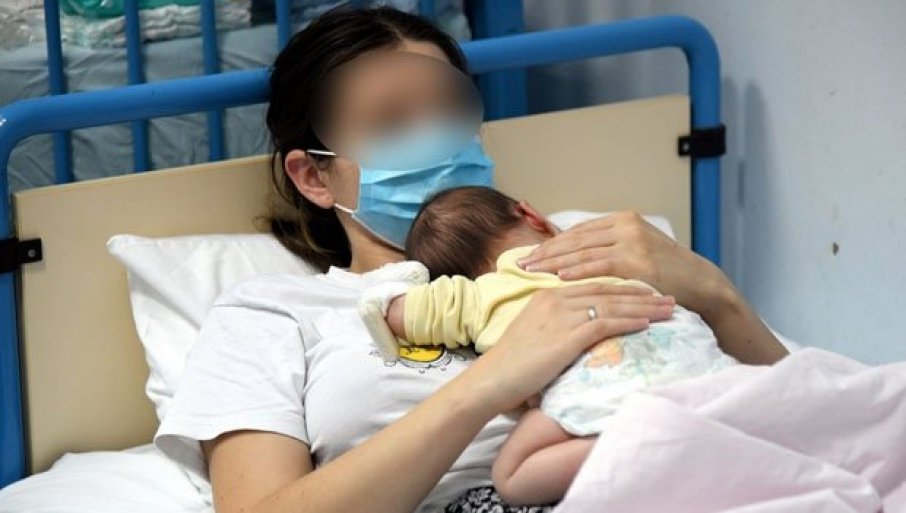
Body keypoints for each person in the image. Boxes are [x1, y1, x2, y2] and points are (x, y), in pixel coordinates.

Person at [153, 6, 789, 513]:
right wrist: (491, 383)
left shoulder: (583, 243)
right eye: (391, 124)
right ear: (314, 176)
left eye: (451, 110)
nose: (435, 137)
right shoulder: (274, 311)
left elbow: (793, 407)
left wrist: (715, 292)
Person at [360, 185, 740, 505]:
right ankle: (715, 418)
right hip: (684, 351)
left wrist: (407, 281)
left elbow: (395, 312)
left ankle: (633, 444)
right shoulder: (602, 256)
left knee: (511, 475)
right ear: (532, 217)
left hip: (595, 382)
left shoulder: (474, 297)